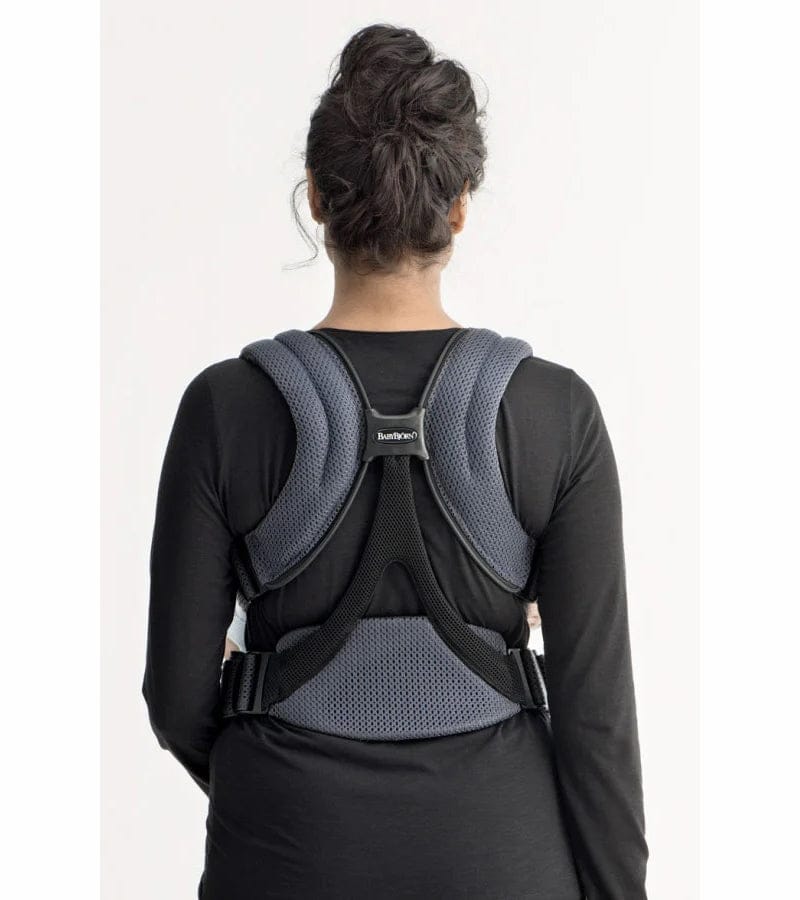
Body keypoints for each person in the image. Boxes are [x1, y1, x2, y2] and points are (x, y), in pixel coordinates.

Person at [142, 23, 648, 899]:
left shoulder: (225, 407)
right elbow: (597, 717)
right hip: (503, 851)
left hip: (283, 848)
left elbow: (176, 697)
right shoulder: (555, 411)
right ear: (458, 209)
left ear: (317, 198)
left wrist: (277, 786)